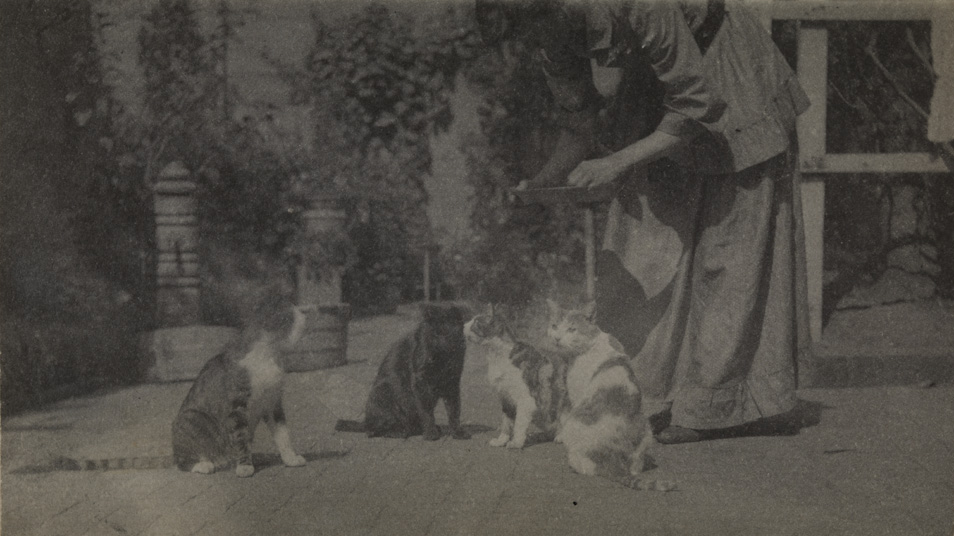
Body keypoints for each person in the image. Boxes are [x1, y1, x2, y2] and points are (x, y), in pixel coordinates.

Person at [477, 0, 813, 443]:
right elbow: (578, 121)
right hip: (662, 93)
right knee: (644, 248)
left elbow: (695, 102)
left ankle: (711, 407)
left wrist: (616, 162)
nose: (538, 44)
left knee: (728, 252)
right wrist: (543, 181)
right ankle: (642, 396)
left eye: (536, 28)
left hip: (728, 78)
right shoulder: (550, 33)